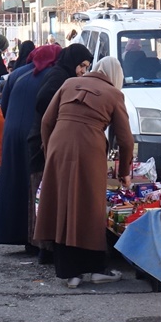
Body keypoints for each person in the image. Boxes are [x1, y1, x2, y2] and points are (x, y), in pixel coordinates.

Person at [36, 55, 133, 289]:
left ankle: (71, 272)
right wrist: (125, 171)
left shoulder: (69, 83)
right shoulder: (114, 94)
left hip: (59, 145)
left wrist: (50, 151)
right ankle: (95, 268)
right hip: (89, 149)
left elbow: (47, 121)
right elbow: (126, 139)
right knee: (89, 207)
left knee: (63, 205)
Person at [27, 43, 92, 261]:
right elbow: (42, 100)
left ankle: (45, 247)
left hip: (47, 139)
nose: (83, 70)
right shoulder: (59, 76)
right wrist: (62, 112)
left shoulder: (61, 74)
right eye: (82, 65)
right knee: (43, 194)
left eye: (86, 67)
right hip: (42, 141)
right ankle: (45, 247)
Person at [0, 44, 61, 252]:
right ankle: (34, 238)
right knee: (35, 184)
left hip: (12, 132)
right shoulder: (54, 75)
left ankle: (12, 233)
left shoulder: (17, 74)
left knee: (13, 182)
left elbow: (3, 106)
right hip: (35, 132)